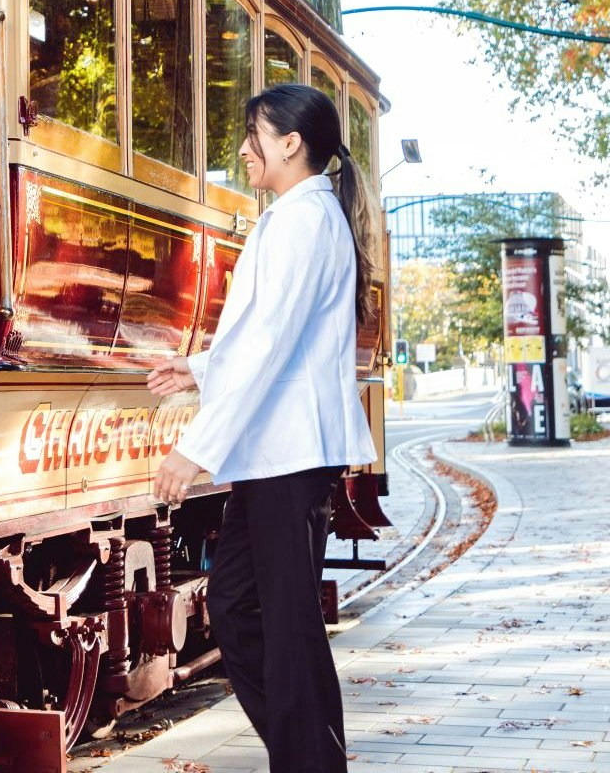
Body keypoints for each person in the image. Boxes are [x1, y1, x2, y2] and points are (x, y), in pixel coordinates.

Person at [147, 82, 379, 773]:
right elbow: (266, 336)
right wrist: (199, 368)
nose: (243, 148)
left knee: (281, 625)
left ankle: (308, 762)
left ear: (290, 143)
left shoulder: (305, 221)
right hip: (275, 454)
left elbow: (272, 341)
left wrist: (195, 448)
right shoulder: (295, 217)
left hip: (288, 452)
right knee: (244, 612)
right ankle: (304, 756)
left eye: (254, 132)